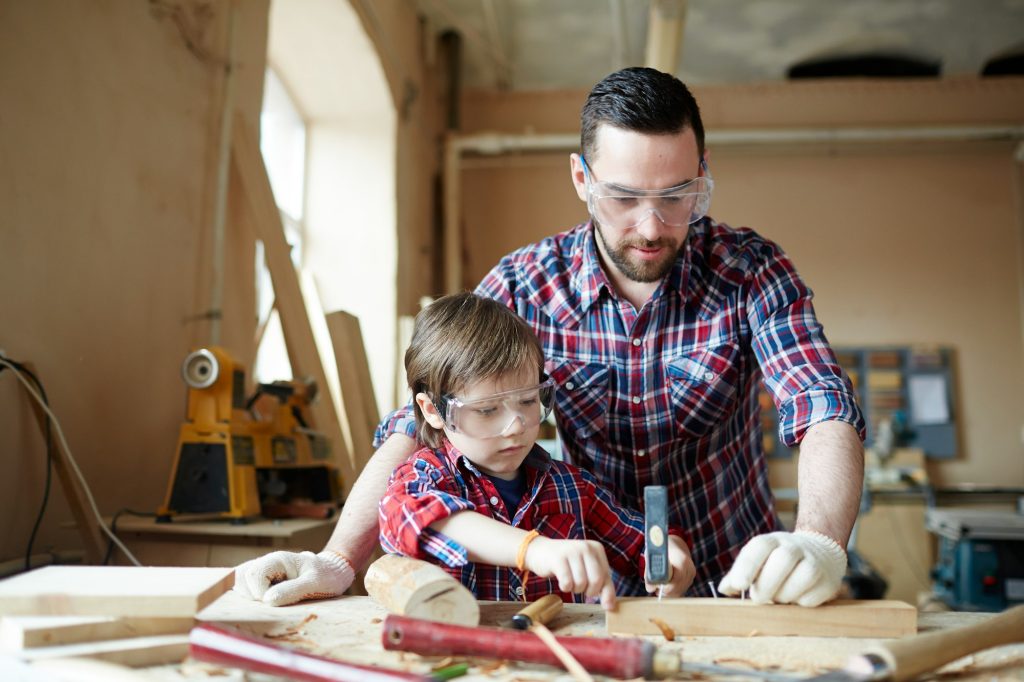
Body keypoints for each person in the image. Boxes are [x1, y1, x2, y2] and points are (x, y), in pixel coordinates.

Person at [234, 66, 865, 609]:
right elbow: (418, 426)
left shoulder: (750, 270)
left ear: (702, 172)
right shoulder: (522, 286)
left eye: (678, 196)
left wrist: (818, 541)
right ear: (581, 178)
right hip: (589, 589)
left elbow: (822, 404)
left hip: (741, 578)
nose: (651, 226)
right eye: (623, 197)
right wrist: (340, 559)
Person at [378, 292, 693, 607]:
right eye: (487, 410)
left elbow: (640, 541)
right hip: (461, 653)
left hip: (558, 650)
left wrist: (667, 553)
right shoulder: (421, 478)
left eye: (528, 401)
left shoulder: (572, 488)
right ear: (433, 410)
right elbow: (419, 517)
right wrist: (534, 549)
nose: (515, 426)